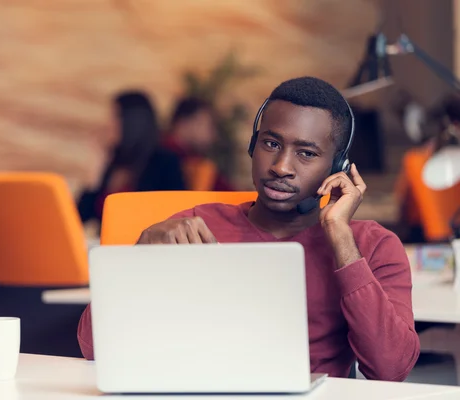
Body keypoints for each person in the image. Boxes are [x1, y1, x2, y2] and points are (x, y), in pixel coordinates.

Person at [77, 77, 420, 381]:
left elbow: (390, 369)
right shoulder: (194, 226)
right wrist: (140, 256)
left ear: (337, 167)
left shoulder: (371, 246)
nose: (281, 166)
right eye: (271, 144)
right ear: (252, 145)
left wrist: (340, 236)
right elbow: (93, 348)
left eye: (306, 153)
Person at [78, 91, 187, 225]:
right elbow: (80, 218)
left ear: (133, 122)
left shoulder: (164, 162)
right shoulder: (113, 161)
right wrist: (94, 174)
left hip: (145, 244)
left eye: (115, 117)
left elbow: (176, 215)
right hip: (108, 244)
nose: (108, 124)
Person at [162, 97, 234, 190]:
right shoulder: (178, 160)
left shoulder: (193, 159)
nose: (213, 135)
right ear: (185, 122)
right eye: (209, 125)